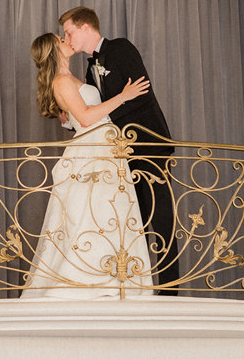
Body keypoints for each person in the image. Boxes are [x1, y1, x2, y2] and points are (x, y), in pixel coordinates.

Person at [20, 33, 155, 299]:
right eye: (62, 39)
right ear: (53, 50)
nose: (67, 40)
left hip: (105, 147)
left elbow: (77, 116)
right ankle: (86, 281)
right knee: (90, 213)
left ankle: (117, 279)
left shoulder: (72, 79)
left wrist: (69, 118)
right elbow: (86, 117)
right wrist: (123, 97)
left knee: (111, 210)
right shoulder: (61, 81)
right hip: (92, 149)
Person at [59, 6, 179, 293]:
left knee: (160, 220)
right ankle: (134, 287)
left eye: (69, 31)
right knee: (129, 222)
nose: (67, 38)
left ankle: (171, 290)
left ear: (86, 27)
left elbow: (141, 94)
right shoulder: (89, 68)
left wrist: (108, 113)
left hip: (148, 147)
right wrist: (72, 119)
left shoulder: (120, 48)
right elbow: (92, 110)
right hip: (119, 156)